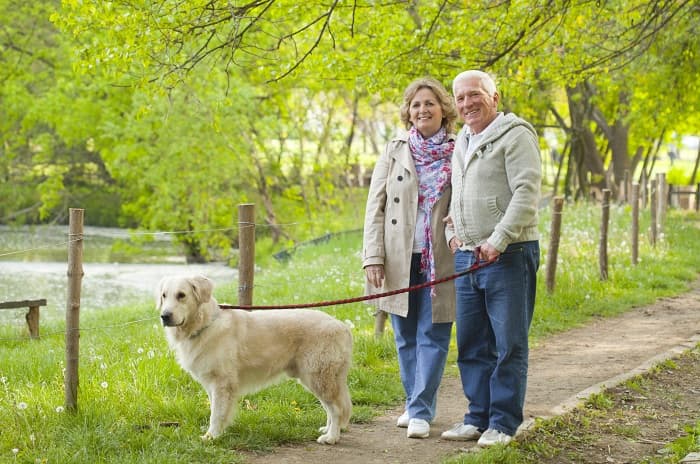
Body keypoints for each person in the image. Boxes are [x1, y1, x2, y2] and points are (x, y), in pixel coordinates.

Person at [441, 70, 541, 447]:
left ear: (494, 97)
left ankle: (502, 422)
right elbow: (459, 195)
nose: (467, 103)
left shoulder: (516, 135)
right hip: (467, 256)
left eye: (474, 95)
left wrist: (498, 240)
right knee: (471, 343)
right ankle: (476, 416)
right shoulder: (462, 140)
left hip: (510, 254)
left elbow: (527, 193)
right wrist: (452, 234)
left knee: (508, 343)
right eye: (460, 97)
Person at [362, 77, 458, 439]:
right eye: (416, 105)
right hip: (398, 256)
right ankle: (415, 402)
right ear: (408, 111)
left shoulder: (457, 148)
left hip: (440, 258)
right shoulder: (395, 149)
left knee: (433, 333)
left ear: (443, 109)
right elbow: (376, 205)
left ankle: (419, 409)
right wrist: (373, 255)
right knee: (404, 336)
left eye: (429, 103)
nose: (422, 110)